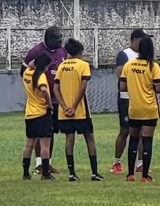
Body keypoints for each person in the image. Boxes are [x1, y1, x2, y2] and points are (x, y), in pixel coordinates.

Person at [53, 39, 104, 182]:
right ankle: (94, 173)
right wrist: (74, 106)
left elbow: (55, 88)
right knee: (89, 138)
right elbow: (83, 87)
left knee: (69, 139)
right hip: (80, 110)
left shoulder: (61, 66)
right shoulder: (83, 65)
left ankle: (72, 173)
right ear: (80, 52)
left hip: (64, 112)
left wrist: (63, 106)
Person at [21, 25, 66, 174]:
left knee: (48, 133)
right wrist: (36, 93)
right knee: (42, 136)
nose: (61, 40)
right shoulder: (35, 52)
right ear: (49, 39)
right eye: (58, 38)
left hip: (56, 99)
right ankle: (40, 165)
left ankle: (47, 164)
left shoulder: (62, 51)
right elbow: (24, 72)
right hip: (43, 103)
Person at [120, 36, 160, 182]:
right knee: (147, 141)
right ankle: (144, 175)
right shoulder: (153, 66)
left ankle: (130, 174)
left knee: (133, 139)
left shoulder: (129, 65)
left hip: (134, 108)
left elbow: (122, 87)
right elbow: (159, 88)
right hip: (149, 108)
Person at [111, 28, 153, 174]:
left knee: (143, 132)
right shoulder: (125, 55)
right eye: (143, 39)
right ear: (135, 40)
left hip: (142, 100)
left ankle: (140, 163)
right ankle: (116, 161)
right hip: (127, 99)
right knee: (125, 130)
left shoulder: (146, 57)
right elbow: (120, 75)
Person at [21, 52, 55, 181]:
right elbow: (44, 90)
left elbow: (29, 64)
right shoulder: (40, 76)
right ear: (45, 65)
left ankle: (25, 173)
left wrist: (33, 62)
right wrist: (49, 104)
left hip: (30, 113)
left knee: (29, 144)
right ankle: (45, 173)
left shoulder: (27, 73)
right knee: (45, 144)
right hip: (41, 112)